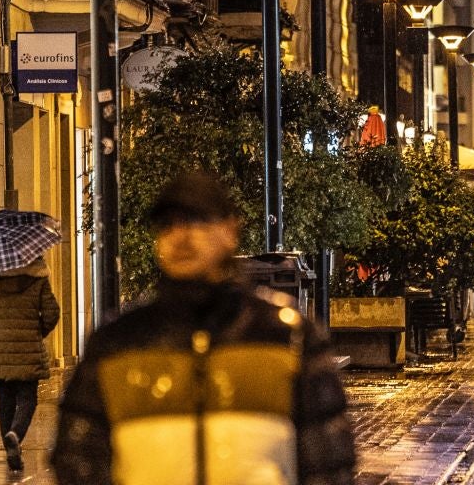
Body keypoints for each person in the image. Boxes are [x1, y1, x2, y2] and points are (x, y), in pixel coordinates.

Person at [51, 170, 357, 485]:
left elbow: (327, 462)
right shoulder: (117, 344)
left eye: (196, 221)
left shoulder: (287, 337)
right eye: (167, 225)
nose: (180, 236)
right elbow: (79, 458)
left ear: (230, 230)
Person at [0, 254, 61, 477]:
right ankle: (15, 434)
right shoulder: (37, 277)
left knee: (5, 400)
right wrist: (37, 332)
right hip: (27, 349)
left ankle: (10, 450)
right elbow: (52, 313)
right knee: (27, 398)